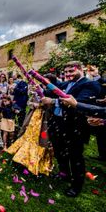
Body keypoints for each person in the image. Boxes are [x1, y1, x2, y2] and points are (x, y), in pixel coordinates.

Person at [41, 61, 102, 197]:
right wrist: (39, 87)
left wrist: (52, 101)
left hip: (75, 127)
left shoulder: (90, 84)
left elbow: (78, 103)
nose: (68, 75)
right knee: (59, 152)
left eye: (71, 71)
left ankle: (76, 185)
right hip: (58, 124)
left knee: (75, 157)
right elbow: (51, 90)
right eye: (66, 72)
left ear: (80, 69)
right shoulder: (65, 84)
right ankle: (64, 174)